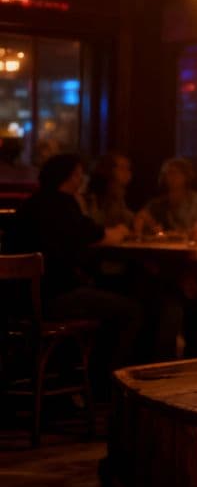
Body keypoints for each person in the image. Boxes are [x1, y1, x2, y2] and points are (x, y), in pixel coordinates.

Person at [3, 153, 141, 383]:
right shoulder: (64, 205)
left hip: (17, 302)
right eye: (78, 174)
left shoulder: (31, 204)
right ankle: (107, 385)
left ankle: (71, 378)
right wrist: (123, 231)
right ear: (71, 177)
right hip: (55, 297)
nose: (81, 178)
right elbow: (98, 235)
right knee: (131, 311)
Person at [136, 157, 197, 236]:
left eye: (174, 172)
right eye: (167, 174)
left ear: (186, 176)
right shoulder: (156, 205)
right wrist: (147, 223)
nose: (171, 177)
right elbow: (142, 219)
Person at [85, 151, 136, 228]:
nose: (128, 173)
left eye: (128, 168)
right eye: (122, 168)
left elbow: (124, 216)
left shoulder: (120, 192)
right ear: (108, 170)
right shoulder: (96, 195)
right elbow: (95, 223)